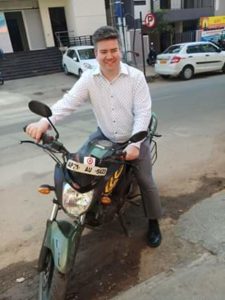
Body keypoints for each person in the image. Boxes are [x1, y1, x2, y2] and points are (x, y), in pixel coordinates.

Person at [26, 26, 162, 247]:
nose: (109, 56)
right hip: (104, 134)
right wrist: (43, 122)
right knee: (77, 166)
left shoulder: (135, 77)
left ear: (120, 50)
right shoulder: (89, 78)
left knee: (146, 181)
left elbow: (143, 113)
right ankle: (88, 206)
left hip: (134, 138)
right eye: (103, 51)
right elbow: (68, 103)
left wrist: (136, 144)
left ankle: (154, 221)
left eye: (113, 50)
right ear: (96, 53)